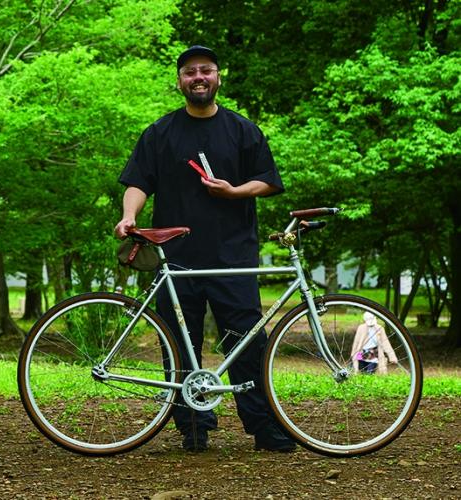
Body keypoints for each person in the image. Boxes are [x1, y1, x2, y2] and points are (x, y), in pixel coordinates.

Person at [114, 45, 294, 453]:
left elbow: (268, 181)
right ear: (180, 81)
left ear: (218, 77)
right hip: (176, 257)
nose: (198, 77)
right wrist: (129, 216)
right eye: (190, 71)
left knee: (247, 341)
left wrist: (235, 191)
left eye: (206, 70)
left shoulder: (242, 130)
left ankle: (264, 427)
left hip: (234, 256)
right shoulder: (160, 132)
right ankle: (192, 426)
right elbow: (138, 182)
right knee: (179, 344)